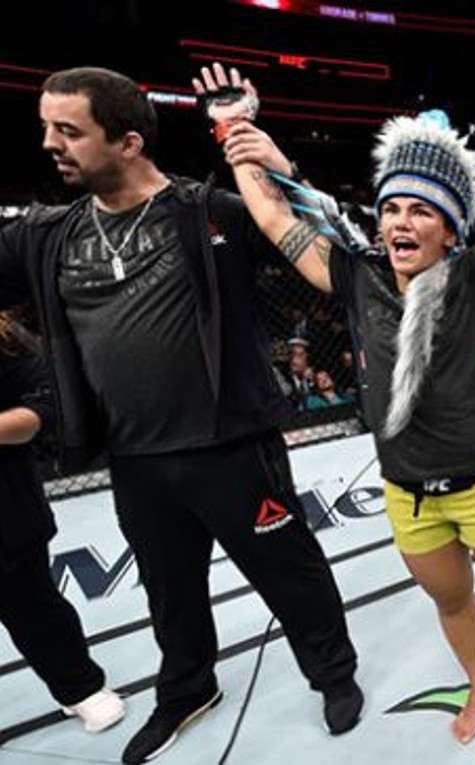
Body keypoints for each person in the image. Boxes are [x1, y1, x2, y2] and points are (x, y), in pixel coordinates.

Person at [204, 18, 475, 756]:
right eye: (389, 208)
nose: (400, 222)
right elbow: (275, 216)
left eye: (419, 210)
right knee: (451, 600)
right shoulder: (357, 278)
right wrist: (234, 134)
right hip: (407, 489)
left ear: (450, 228)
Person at [0, 66, 361, 764]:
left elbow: (334, 247)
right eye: (47, 127)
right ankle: (188, 688)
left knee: (289, 571)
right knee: (170, 594)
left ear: (128, 141)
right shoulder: (47, 236)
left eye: (68, 130)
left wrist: (270, 159)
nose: (49, 143)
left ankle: (332, 673)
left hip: (233, 446)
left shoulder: (209, 212)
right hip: (134, 457)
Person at [0, 311, 126, 735]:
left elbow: (45, 404)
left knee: (32, 605)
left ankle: (80, 687)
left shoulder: (5, 339)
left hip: (6, 514)